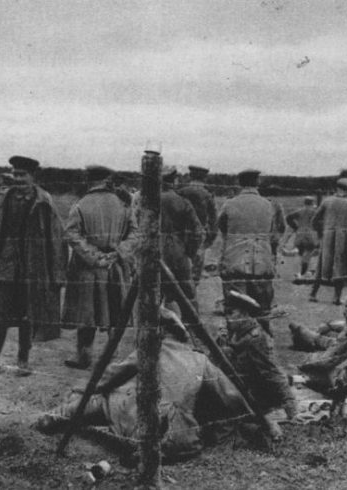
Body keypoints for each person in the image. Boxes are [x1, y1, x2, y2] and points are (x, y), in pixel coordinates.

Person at [35, 307, 252, 461]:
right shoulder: (200, 359)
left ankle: (54, 416)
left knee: (102, 399)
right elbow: (232, 396)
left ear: (159, 331)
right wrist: (251, 420)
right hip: (180, 438)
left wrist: (79, 389)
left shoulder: (148, 352)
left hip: (140, 430)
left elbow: (106, 379)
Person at [0, 156, 67, 381]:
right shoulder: (3, 199)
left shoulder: (44, 201)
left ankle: (23, 360)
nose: (18, 179)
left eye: (23, 175)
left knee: (27, 316)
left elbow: (56, 238)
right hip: (4, 267)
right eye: (16, 174)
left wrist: (57, 272)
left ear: (33, 176)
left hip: (32, 270)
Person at [62, 165, 138, 369]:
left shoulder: (80, 205)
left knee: (87, 314)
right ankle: (112, 359)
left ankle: (84, 356)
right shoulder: (123, 204)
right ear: (107, 180)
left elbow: (71, 235)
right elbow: (134, 234)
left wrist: (94, 257)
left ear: (89, 180)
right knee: (115, 312)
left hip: (88, 269)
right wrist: (118, 252)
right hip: (116, 267)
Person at [220, 290, 296, 440]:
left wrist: (291, 406)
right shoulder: (234, 332)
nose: (227, 318)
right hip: (238, 385)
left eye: (231, 313)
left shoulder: (256, 338)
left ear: (244, 314)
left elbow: (272, 371)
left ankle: (266, 423)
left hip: (255, 393)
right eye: (226, 314)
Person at [217, 169, 283, 331]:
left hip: (235, 261)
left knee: (235, 306)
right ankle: (263, 342)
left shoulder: (229, 204)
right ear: (257, 182)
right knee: (262, 307)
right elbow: (275, 233)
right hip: (262, 262)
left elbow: (222, 227)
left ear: (239, 183)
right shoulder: (269, 205)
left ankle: (236, 344)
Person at [161, 167, 204, 329]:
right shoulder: (182, 201)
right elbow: (197, 232)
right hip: (177, 251)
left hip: (152, 251)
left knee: (153, 292)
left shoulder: (146, 201)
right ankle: (192, 331)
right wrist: (189, 252)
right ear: (175, 180)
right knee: (187, 293)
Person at [310, 177, 347, 304]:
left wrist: (321, 232)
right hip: (344, 239)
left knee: (322, 264)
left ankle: (313, 294)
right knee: (341, 266)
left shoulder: (327, 201)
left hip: (328, 236)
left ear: (336, 188)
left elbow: (314, 220)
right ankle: (336, 297)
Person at [177, 165, 218, 286]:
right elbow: (213, 220)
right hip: (200, 236)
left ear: (190, 175)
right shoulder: (207, 195)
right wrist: (210, 239)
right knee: (195, 274)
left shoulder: (181, 192)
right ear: (204, 178)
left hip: (181, 235)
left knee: (180, 271)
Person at [286, 197, 319, 279]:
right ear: (312, 204)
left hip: (300, 234)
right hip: (310, 235)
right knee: (308, 253)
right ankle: (306, 272)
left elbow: (288, 217)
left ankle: (299, 273)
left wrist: (295, 226)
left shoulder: (299, 212)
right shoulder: (315, 213)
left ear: (304, 203)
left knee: (300, 253)